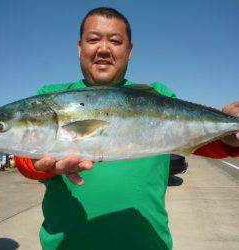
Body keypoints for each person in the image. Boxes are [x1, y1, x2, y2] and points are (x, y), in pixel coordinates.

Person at [15, 7, 239, 250]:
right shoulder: (49, 96)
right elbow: (25, 157)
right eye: (93, 40)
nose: (103, 49)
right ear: (80, 48)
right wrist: (38, 165)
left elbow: (203, 145)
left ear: (129, 50)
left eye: (115, 41)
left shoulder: (159, 95)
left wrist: (231, 138)